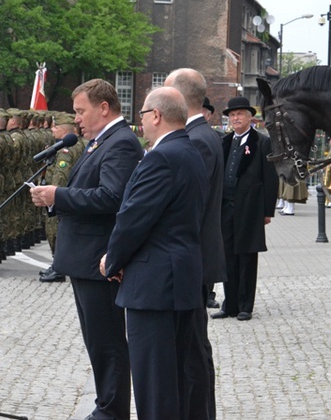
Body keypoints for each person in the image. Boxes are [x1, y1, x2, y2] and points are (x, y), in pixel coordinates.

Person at [30, 79, 142, 420]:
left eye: (81, 111)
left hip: (98, 259)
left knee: (107, 342)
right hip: (84, 259)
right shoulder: (100, 142)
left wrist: (57, 196)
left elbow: (112, 196)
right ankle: (106, 404)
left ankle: (111, 410)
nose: (77, 119)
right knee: (97, 341)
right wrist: (54, 200)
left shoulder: (120, 143)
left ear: (103, 108)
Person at [99, 87, 207, 420]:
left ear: (156, 115)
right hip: (178, 280)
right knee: (173, 380)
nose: (140, 122)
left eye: (143, 115)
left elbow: (133, 218)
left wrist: (112, 261)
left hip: (155, 286)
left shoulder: (162, 156)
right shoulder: (191, 151)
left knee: (154, 386)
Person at [164, 68, 226, 419]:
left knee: (193, 352)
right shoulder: (200, 134)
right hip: (196, 255)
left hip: (193, 258)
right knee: (192, 348)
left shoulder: (198, 139)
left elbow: (188, 206)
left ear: (179, 97)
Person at [212, 97, 278, 322]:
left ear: (250, 117)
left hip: (250, 209)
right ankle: (229, 304)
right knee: (228, 257)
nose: (235, 118)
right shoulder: (225, 141)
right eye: (231, 115)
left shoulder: (261, 142)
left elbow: (270, 177)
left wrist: (268, 210)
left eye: (240, 114)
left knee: (247, 258)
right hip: (226, 207)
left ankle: (245, 305)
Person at [40, 112, 82, 283]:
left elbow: (60, 175)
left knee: (54, 231)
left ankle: (58, 267)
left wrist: (53, 195)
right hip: (72, 196)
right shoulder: (80, 144)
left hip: (60, 197)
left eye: (55, 127)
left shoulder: (65, 149)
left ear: (64, 130)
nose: (52, 129)